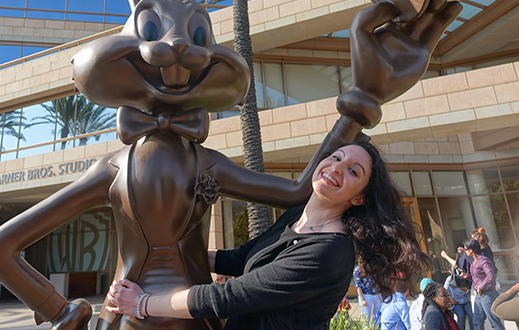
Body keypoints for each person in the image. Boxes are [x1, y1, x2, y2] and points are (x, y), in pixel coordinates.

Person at [106, 141, 430, 329]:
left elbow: (227, 297)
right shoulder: (295, 218)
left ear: (359, 197)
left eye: (353, 171)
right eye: (336, 157)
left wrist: (142, 304)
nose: (336, 168)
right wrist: (165, 253)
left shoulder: (328, 253)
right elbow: (239, 259)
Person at [459, 238, 504, 330]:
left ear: (471, 250)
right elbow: (477, 278)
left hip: (488, 294)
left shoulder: (483, 260)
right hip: (479, 296)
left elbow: (491, 276)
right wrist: (467, 276)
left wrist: (481, 286)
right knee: (477, 322)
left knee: (494, 322)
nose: (465, 251)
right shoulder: (474, 260)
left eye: (466, 249)